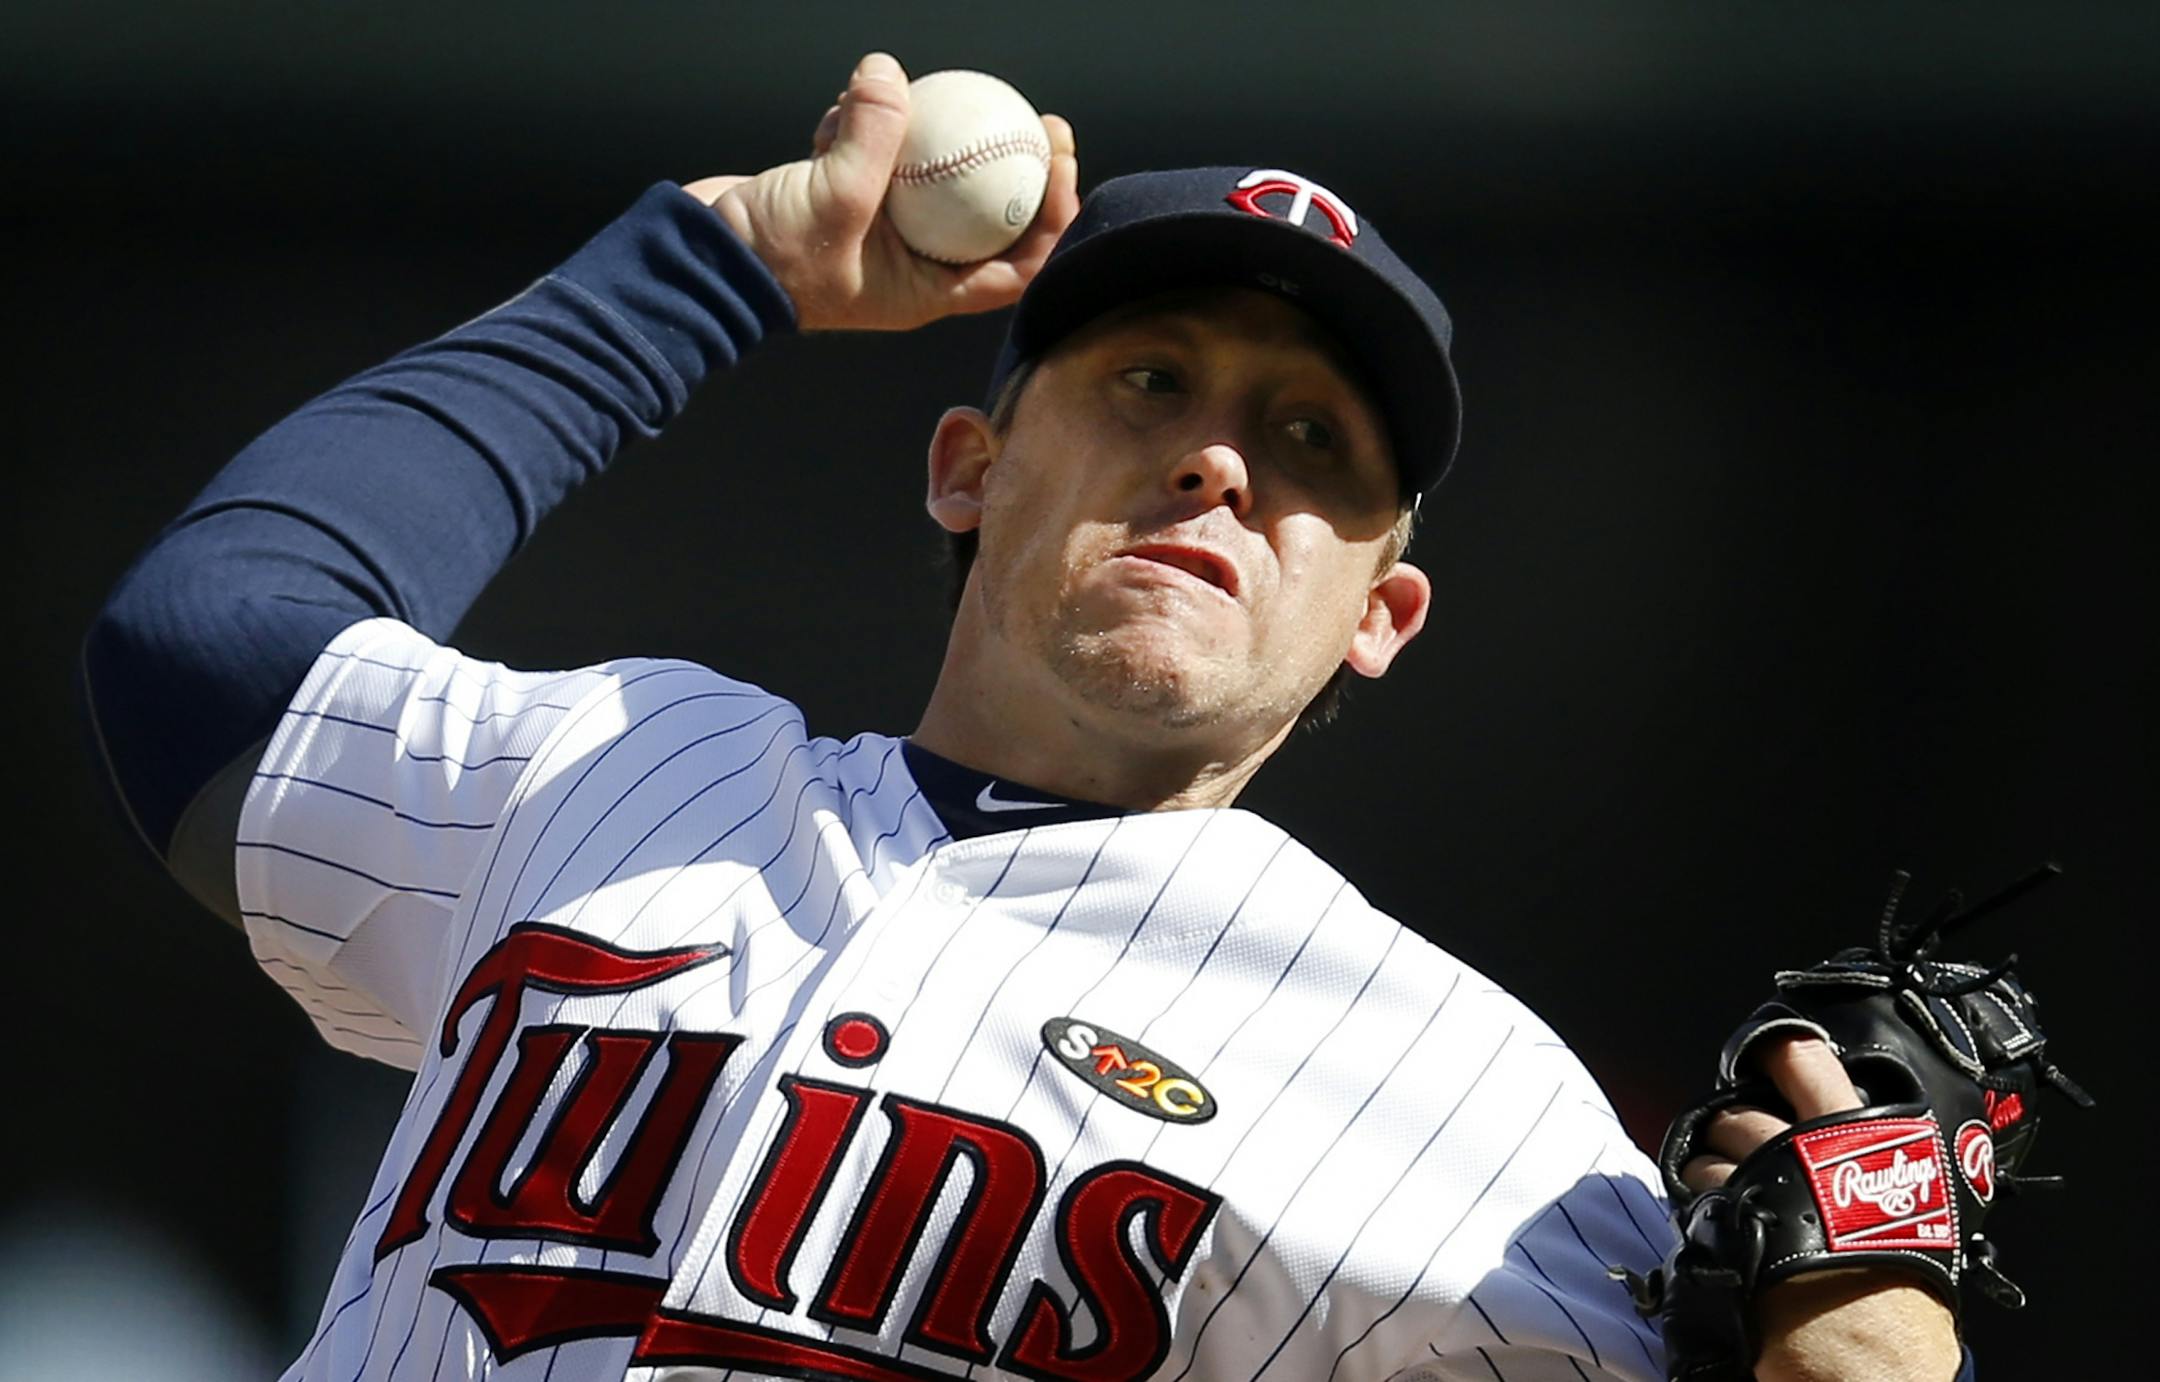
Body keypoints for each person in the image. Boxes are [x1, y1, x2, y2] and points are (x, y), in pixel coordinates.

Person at [82, 53, 1966, 1382]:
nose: (1221, 456)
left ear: (1379, 615)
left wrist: (1871, 1303)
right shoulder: (623, 776)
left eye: (1316, 444)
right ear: (968, 466)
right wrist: (710, 264)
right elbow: (206, 640)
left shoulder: (1462, 1096)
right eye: (1150, 379)